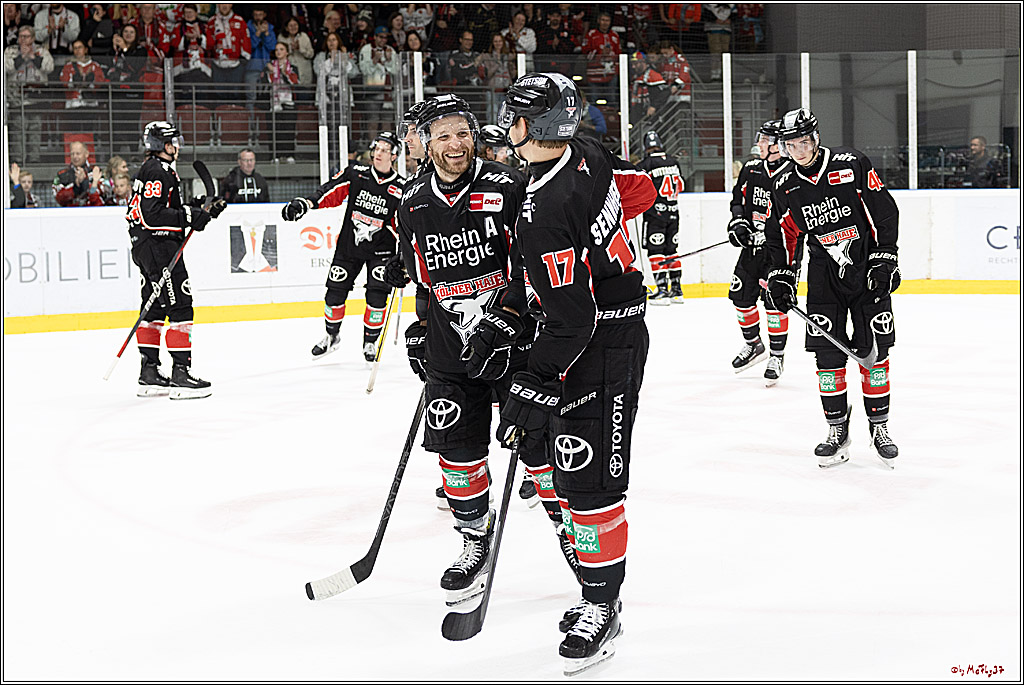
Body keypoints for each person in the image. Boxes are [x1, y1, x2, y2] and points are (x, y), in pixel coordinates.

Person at [493, 72, 656, 674]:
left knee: (588, 485)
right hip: (595, 331)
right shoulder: (585, 150)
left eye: (513, 117)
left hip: (600, 347)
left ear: (532, 129)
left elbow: (572, 319)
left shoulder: (545, 210)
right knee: (562, 473)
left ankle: (601, 603)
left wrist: (532, 385)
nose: (504, 128)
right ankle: (594, 576)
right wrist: (514, 309)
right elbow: (641, 188)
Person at [387, 93, 574, 611]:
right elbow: (423, 276)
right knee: (457, 456)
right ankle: (475, 542)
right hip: (453, 352)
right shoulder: (413, 201)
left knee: (540, 450)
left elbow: (534, 265)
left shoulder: (508, 186)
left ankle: (577, 547)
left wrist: (510, 318)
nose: (456, 145)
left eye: (463, 133)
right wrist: (423, 328)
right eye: (443, 136)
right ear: (426, 143)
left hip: (513, 343)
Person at [763, 108, 901, 469]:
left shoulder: (851, 164)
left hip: (866, 270)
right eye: (791, 145)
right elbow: (782, 234)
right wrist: (781, 273)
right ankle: (837, 429)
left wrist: (886, 257)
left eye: (804, 142)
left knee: (876, 354)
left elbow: (884, 212)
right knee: (827, 357)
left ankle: (880, 427)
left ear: (816, 138)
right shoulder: (784, 185)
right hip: (824, 277)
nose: (799, 150)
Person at [281, 131, 405, 362]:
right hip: (349, 247)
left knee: (377, 298)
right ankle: (331, 336)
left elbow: (405, 226)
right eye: (376, 148)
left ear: (395, 156)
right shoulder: (356, 174)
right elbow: (330, 191)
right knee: (334, 294)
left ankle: (370, 341)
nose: (378, 153)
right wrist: (306, 203)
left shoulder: (401, 188)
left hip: (382, 252)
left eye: (385, 150)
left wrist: (405, 256)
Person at [127, 121, 227, 399]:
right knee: (180, 305)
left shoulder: (153, 170)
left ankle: (149, 373)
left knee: (155, 307)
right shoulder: (159, 172)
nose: (178, 146)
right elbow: (153, 215)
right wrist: (189, 216)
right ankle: (180, 373)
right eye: (173, 141)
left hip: (147, 247)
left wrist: (199, 208)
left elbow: (163, 209)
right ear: (161, 145)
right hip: (159, 248)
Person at [727, 120, 792, 383]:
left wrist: (775, 234)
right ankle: (754, 344)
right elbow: (737, 201)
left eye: (766, 140)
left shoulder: (794, 173)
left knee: (775, 303)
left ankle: (777, 354)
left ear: (778, 145)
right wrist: (738, 223)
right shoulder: (752, 169)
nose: (760, 144)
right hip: (752, 249)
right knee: (740, 297)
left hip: (781, 253)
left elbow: (799, 215)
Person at [636, 130, 685, 304]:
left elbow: (637, 187)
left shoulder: (646, 164)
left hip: (655, 215)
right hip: (674, 212)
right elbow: (681, 184)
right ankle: (677, 290)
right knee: (671, 251)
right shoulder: (673, 161)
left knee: (655, 251)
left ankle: (663, 290)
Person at [4, 25, 54, 164]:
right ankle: (18, 161)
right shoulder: (10, 51)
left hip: (36, 98)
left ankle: (34, 160)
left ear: (33, 38)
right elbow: (6, 68)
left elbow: (49, 67)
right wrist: (20, 57)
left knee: (35, 130)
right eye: (21, 36)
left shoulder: (42, 51)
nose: (23, 40)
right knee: (17, 130)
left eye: (26, 37)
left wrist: (33, 57)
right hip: (16, 98)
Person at [262, 41, 299, 163]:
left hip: (288, 102)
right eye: (277, 49)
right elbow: (264, 84)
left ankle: (289, 155)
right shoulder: (269, 67)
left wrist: (283, 73)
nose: (279, 52)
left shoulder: (293, 67)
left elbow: (295, 83)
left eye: (282, 49)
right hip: (274, 103)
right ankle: (275, 156)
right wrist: (271, 72)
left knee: (289, 129)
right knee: (274, 130)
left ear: (287, 52)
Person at [205, 3, 251, 97]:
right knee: (219, 94)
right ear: (217, 5)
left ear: (231, 4)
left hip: (235, 64)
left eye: (227, 3)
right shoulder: (211, 21)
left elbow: (246, 39)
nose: (224, 6)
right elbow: (208, 43)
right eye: (222, 3)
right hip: (218, 64)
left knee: (235, 94)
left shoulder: (239, 20)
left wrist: (244, 58)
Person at [582, 12, 620, 108]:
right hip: (594, 73)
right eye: (603, 20)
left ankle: (611, 120)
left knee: (612, 99)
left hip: (610, 72)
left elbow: (618, 54)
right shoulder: (591, 34)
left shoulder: (614, 35)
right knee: (593, 99)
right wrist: (599, 52)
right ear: (598, 21)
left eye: (607, 20)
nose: (605, 23)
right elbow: (585, 53)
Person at [246, 8, 277, 124]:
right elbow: (249, 47)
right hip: (252, 67)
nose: (258, 17)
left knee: (269, 98)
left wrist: (267, 33)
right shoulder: (247, 27)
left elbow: (273, 47)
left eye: (260, 14)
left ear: (264, 15)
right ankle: (250, 128)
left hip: (267, 67)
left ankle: (267, 127)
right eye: (256, 15)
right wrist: (258, 34)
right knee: (251, 98)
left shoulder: (270, 28)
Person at [53, 141, 104, 207]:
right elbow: (58, 198)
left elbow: (103, 195)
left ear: (86, 154)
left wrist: (85, 182)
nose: (75, 156)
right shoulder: (62, 174)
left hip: (93, 213)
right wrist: (76, 187)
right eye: (72, 154)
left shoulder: (96, 172)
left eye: (78, 153)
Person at [277, 16, 314, 86]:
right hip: (288, 71)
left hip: (304, 71)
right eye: (290, 26)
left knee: (304, 94)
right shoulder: (281, 37)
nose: (293, 27)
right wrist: (291, 49)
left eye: (295, 25)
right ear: (286, 28)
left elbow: (311, 54)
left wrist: (300, 49)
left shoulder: (304, 36)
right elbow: (280, 54)